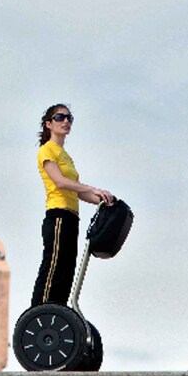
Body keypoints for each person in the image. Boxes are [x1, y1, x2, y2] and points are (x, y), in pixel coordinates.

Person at [31, 104, 114, 307]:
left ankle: (58, 314)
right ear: (49, 124)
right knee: (53, 267)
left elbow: (77, 192)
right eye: (60, 117)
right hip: (57, 215)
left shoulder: (65, 155)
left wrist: (103, 201)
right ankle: (40, 312)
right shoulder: (47, 150)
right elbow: (60, 182)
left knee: (67, 270)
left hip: (71, 218)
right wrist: (92, 188)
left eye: (69, 118)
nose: (66, 121)